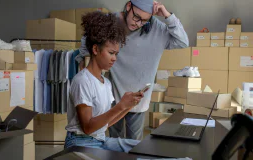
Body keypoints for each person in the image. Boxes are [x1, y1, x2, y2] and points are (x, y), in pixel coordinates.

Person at [75, 0, 189, 140]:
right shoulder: (112, 22)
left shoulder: (156, 29)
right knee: (114, 140)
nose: (138, 23)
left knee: (133, 143)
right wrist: (82, 61)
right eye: (137, 17)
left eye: (144, 21)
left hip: (138, 98)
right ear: (129, 6)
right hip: (113, 94)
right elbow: (88, 39)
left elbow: (183, 42)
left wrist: (167, 15)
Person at [65, 11, 144, 153]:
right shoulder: (82, 81)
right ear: (95, 49)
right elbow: (88, 128)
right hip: (81, 142)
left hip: (100, 139)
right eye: (111, 53)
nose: (114, 58)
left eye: (116, 54)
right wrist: (120, 106)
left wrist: (128, 106)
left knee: (141, 148)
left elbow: (104, 124)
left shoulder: (106, 83)